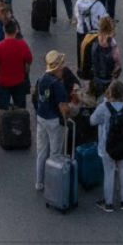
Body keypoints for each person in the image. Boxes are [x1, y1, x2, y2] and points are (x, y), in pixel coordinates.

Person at [91, 80, 123, 212]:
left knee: (109, 173)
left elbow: (92, 121)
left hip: (107, 147)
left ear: (110, 93)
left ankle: (109, 204)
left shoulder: (103, 107)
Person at [34, 49, 72, 191]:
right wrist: (68, 116)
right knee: (55, 153)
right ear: (57, 68)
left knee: (42, 152)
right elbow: (64, 108)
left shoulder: (41, 79)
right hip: (54, 121)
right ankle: (53, 185)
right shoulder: (57, 84)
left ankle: (39, 182)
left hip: (41, 117)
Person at [0, 19, 32, 133]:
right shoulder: (22, 44)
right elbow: (29, 60)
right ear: (16, 30)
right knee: (20, 107)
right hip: (19, 80)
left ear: (4, 30)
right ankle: (22, 127)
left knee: (2, 108)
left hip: (3, 81)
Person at [88, 16, 123, 98]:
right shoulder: (112, 42)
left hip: (95, 75)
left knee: (96, 97)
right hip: (108, 77)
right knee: (107, 98)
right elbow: (117, 60)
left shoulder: (93, 38)